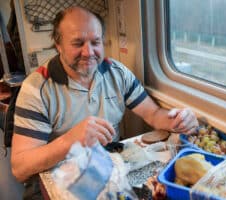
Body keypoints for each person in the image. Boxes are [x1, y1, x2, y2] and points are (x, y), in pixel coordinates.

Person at [11, 6, 198, 184]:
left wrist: (178, 120)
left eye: (95, 42)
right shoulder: (36, 89)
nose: (89, 52)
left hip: (111, 166)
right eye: (78, 43)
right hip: (63, 175)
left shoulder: (117, 72)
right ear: (58, 45)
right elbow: (20, 168)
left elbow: (153, 114)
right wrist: (70, 140)